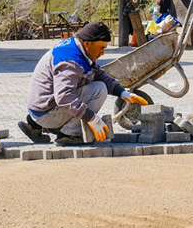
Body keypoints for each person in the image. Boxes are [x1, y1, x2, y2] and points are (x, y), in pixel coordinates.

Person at [19, 22, 149, 145]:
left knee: (93, 83)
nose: (102, 53)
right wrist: (92, 118)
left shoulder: (77, 47)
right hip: (45, 113)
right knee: (99, 90)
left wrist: (122, 93)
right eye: (101, 48)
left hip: (40, 107)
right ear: (87, 43)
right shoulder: (71, 62)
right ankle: (70, 134)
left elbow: (97, 73)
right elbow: (64, 97)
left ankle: (36, 125)